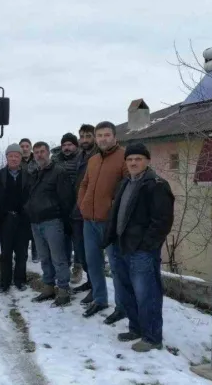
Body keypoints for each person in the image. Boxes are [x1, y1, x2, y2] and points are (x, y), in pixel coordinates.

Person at [106, 143, 174, 352]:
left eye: (138, 159)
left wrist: (146, 246)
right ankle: (135, 328)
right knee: (127, 292)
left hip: (142, 250)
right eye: (130, 159)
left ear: (147, 161)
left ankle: (152, 337)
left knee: (147, 294)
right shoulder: (125, 183)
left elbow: (162, 221)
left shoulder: (156, 185)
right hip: (121, 246)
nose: (133, 162)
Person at [78, 121, 128, 323]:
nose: (103, 139)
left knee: (116, 266)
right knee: (93, 263)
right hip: (89, 220)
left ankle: (122, 306)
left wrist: (112, 209)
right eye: (99, 136)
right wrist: (82, 204)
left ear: (114, 137)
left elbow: (126, 188)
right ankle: (99, 299)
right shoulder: (93, 160)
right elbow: (84, 184)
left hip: (110, 223)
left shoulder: (124, 157)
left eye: (107, 135)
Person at [27, 141, 75, 306]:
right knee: (44, 257)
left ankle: (63, 289)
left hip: (53, 221)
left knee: (58, 257)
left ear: (48, 153)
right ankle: (48, 287)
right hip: (36, 222)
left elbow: (66, 199)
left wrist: (65, 221)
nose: (39, 155)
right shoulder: (34, 173)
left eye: (42, 151)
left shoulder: (58, 172)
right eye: (37, 152)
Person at [0, 144, 31, 293]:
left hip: (23, 219)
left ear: (21, 158)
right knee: (5, 253)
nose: (14, 158)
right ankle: (5, 282)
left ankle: (20, 280)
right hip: (6, 219)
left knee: (22, 253)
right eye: (11, 156)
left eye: (17, 156)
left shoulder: (29, 175)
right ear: (6, 157)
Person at [71, 124, 98, 304]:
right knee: (81, 252)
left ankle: (96, 289)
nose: (85, 140)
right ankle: (90, 283)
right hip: (76, 210)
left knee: (92, 253)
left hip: (91, 211)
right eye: (82, 136)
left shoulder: (97, 156)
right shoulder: (79, 155)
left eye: (88, 136)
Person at [52, 132, 82, 281]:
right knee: (63, 240)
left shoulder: (81, 159)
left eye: (70, 144)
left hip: (77, 204)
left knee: (77, 239)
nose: (67, 148)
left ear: (75, 146)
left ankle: (78, 267)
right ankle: (65, 267)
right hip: (60, 205)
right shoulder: (56, 160)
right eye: (64, 145)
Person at [19, 138, 39, 264]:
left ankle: (36, 252)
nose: (25, 148)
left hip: (35, 198)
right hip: (21, 199)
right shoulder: (16, 161)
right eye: (22, 146)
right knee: (23, 228)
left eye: (27, 146)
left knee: (35, 226)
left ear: (30, 148)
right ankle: (23, 251)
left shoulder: (37, 160)